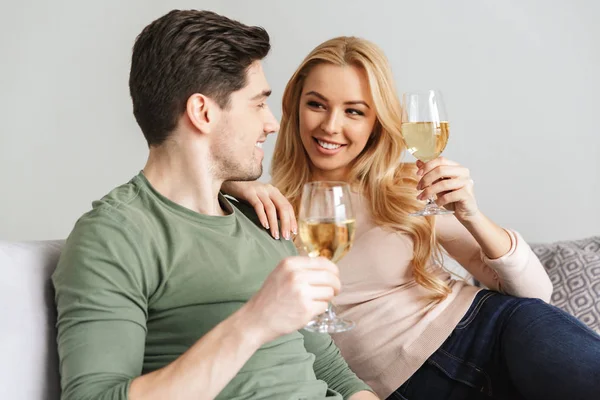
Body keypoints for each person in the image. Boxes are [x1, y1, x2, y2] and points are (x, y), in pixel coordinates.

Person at [224, 36, 600, 400]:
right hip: (402, 387)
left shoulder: (406, 185)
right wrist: (230, 185)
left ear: (376, 122)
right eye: (317, 105)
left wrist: (471, 214)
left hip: (495, 330)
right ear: (294, 107)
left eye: (354, 111)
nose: (331, 126)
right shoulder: (269, 207)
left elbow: (536, 293)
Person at [52, 11, 379, 400]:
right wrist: (255, 321)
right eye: (258, 104)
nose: (272, 124)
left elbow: (333, 373)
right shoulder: (115, 235)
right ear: (203, 113)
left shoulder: (263, 218)